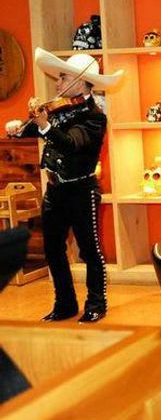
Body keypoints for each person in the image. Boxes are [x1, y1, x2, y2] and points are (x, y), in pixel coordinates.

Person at [5, 49, 123, 323]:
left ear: (81, 82)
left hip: (82, 191)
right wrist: (18, 126)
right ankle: (65, 303)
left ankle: (96, 303)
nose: (57, 84)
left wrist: (45, 125)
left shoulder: (94, 117)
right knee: (53, 248)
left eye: (63, 78)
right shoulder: (59, 110)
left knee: (90, 250)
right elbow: (36, 129)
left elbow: (70, 143)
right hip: (55, 191)